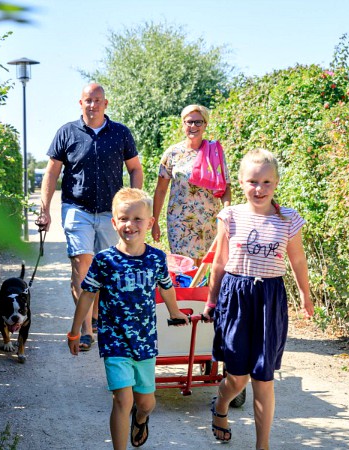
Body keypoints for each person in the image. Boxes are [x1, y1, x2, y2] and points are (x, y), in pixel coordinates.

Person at [202, 149, 314, 450]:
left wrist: (305, 294)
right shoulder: (230, 216)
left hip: (270, 298)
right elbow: (220, 262)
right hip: (235, 297)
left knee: (263, 377)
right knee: (237, 378)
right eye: (252, 181)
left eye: (266, 182)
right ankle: (221, 404)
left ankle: (261, 445)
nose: (259, 189)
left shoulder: (288, 218)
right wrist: (211, 301)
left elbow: (298, 260)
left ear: (276, 183)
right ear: (240, 182)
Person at [67, 188, 188, 449]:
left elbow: (166, 286)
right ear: (114, 222)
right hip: (114, 341)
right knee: (123, 400)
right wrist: (76, 331)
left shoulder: (156, 258)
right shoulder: (104, 260)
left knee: (146, 403)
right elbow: (88, 294)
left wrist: (175, 311)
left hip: (144, 342)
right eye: (123, 218)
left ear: (149, 223)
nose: (129, 225)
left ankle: (141, 419)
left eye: (137, 219)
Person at [39, 83, 143, 350]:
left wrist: (134, 204)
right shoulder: (67, 132)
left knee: (105, 269)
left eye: (98, 100)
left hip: (112, 212)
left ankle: (95, 316)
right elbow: (52, 172)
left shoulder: (120, 132)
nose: (93, 105)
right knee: (81, 264)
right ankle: (86, 330)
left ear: (106, 104)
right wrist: (44, 209)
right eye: (88, 100)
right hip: (77, 208)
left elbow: (135, 169)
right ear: (80, 103)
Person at [152, 104, 231, 266]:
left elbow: (226, 187)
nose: (193, 126)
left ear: (205, 125)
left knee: (206, 268)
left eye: (198, 122)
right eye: (189, 122)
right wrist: (154, 222)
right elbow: (160, 190)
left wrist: (227, 214)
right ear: (183, 124)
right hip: (180, 222)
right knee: (184, 267)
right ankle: (185, 293)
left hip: (208, 220)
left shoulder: (214, 152)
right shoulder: (172, 153)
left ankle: (208, 293)